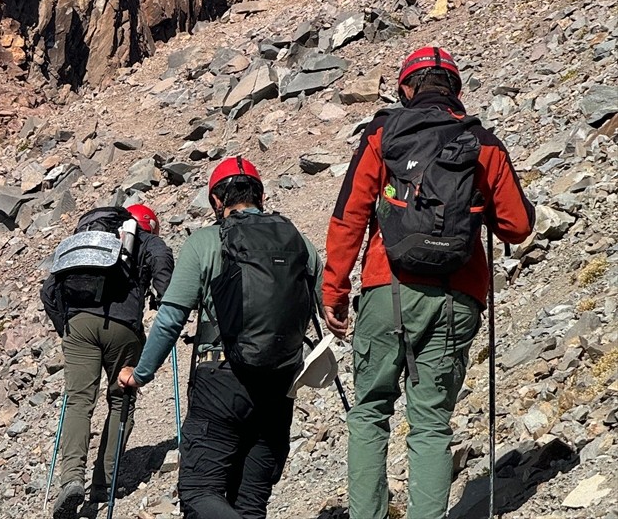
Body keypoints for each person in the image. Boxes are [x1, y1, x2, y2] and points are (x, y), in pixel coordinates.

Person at [323, 46, 535, 519]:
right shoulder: (482, 142)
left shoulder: (383, 133)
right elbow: (518, 227)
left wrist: (334, 291)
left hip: (386, 288)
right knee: (432, 423)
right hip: (457, 297)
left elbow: (348, 217)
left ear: (405, 88)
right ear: (456, 91)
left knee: (370, 411)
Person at [118, 156, 323, 519]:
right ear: (260, 195)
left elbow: (170, 320)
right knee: (250, 505)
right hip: (280, 385)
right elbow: (330, 307)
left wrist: (141, 374)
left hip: (221, 384)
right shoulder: (299, 242)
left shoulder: (205, 242)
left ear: (216, 201)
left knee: (199, 492)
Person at [41, 202, 174, 518]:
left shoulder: (89, 241)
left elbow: (48, 291)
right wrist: (165, 298)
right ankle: (103, 484)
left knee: (77, 402)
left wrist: (67, 328)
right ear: (149, 225)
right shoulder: (147, 240)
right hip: (123, 328)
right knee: (120, 399)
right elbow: (162, 264)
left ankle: (71, 480)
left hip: (78, 325)